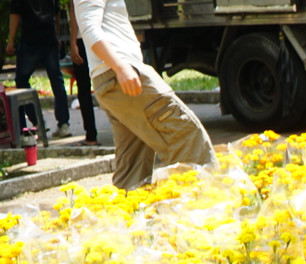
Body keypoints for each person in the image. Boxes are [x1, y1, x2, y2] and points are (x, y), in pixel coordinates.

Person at [72, 0, 215, 188]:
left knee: (133, 169)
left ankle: (129, 212)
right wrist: (121, 67)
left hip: (113, 78)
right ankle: (210, 203)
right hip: (120, 73)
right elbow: (89, 28)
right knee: (187, 139)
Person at [6, 0, 72, 138]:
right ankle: (64, 123)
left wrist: (11, 40)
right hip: (49, 38)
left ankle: (38, 121)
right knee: (56, 80)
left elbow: (15, 13)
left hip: (30, 39)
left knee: (22, 81)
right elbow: (56, 14)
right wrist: (57, 36)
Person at [63, 5, 101, 146]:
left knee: (84, 88)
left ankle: (91, 136)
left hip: (84, 37)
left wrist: (73, 42)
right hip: (101, 36)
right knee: (108, 84)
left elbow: (73, 10)